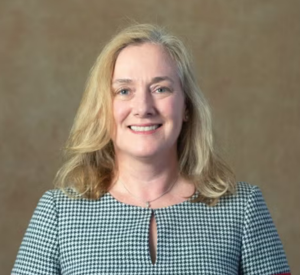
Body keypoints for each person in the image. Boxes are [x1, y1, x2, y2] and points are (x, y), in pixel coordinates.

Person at [12, 24, 291, 275]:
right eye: (124, 91)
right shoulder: (58, 213)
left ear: (186, 107)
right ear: (102, 110)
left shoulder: (243, 208)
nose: (143, 108)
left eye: (160, 89)